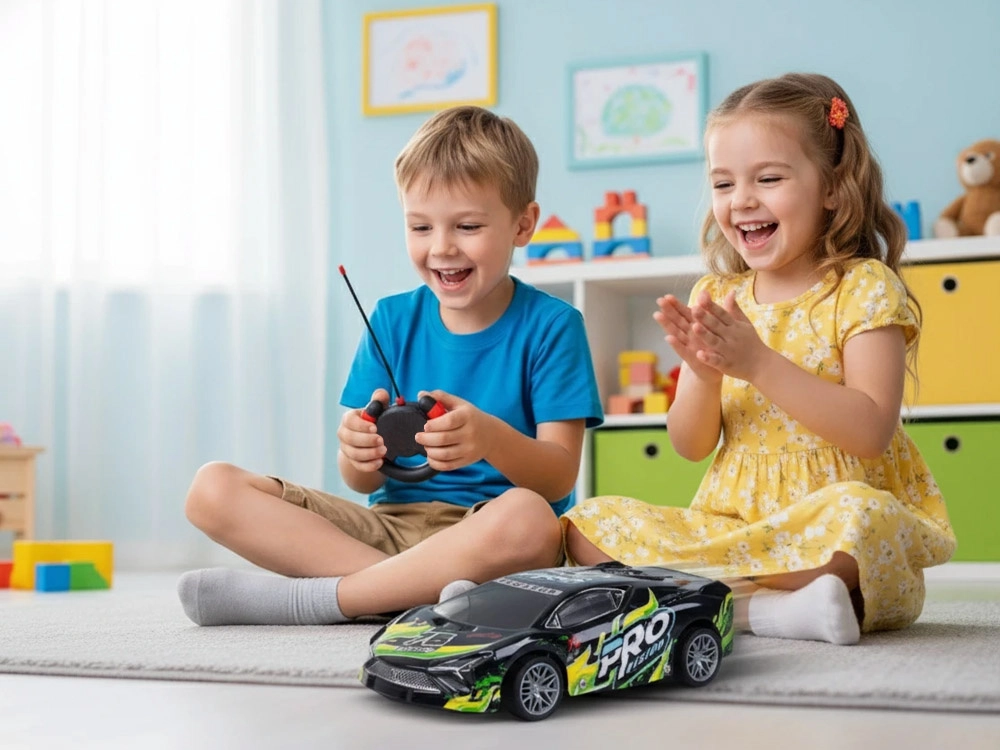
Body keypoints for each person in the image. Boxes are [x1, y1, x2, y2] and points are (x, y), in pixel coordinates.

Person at [563, 73, 956, 645]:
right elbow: (690, 445)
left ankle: (702, 600)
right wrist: (703, 376)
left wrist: (759, 365)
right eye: (723, 183)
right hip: (735, 530)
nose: (741, 199)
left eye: (768, 178)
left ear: (832, 187)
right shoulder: (718, 295)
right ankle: (765, 612)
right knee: (588, 524)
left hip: (829, 537)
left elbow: (872, 430)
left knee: (860, 517)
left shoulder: (863, 288)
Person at [178, 105, 603, 625]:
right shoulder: (390, 318)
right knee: (212, 489)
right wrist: (358, 451)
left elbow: (557, 479)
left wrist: (490, 438)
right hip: (386, 531)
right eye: (420, 226)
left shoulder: (554, 325)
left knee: (531, 518)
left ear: (523, 224)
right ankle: (411, 594)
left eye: (468, 226)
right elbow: (358, 481)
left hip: (487, 536)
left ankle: (322, 600)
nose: (441, 247)